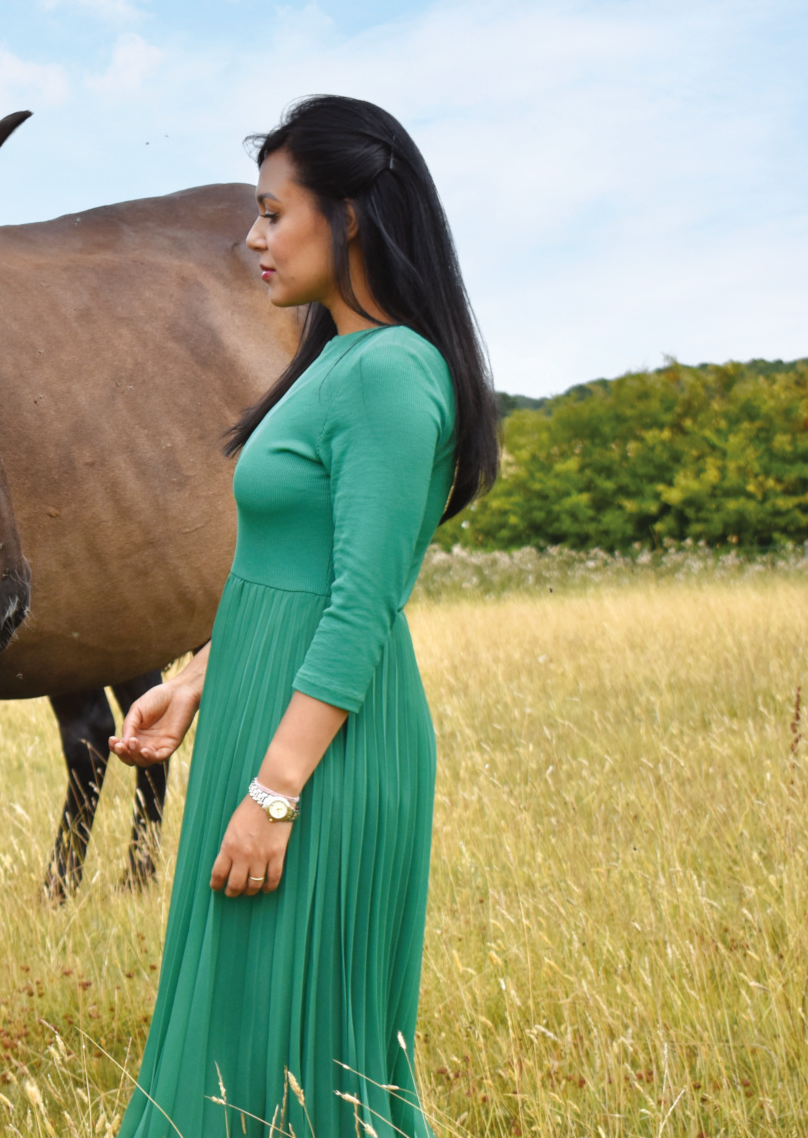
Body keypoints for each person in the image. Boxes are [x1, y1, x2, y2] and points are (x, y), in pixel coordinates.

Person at [109, 95, 500, 1138]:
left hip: (320, 754)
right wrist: (196, 682)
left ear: (355, 213)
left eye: (275, 212)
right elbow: (284, 566)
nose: (254, 236)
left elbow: (360, 603)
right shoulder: (330, 358)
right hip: (260, 716)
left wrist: (274, 793)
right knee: (237, 1047)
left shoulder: (395, 373)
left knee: (303, 1071)